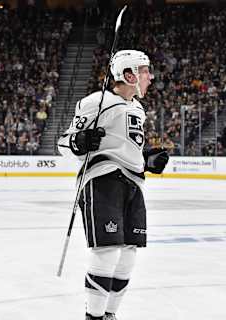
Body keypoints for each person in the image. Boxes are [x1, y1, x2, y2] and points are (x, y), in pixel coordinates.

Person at [58, 50, 169, 320]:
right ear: (129, 75)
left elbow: (125, 147)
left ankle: (109, 315)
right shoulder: (97, 102)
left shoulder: (138, 108)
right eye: (145, 72)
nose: (150, 77)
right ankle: (93, 317)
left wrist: (147, 160)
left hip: (133, 184)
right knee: (106, 252)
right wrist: (80, 141)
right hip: (102, 180)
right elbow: (64, 143)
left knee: (128, 255)